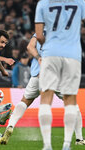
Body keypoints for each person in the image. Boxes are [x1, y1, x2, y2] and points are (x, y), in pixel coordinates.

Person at [0, 33, 85, 146]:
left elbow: (30, 47)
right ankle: (79, 139)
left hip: (36, 75)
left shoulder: (40, 32)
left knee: (25, 101)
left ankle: (11, 125)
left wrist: (38, 57)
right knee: (72, 104)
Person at [35, 0, 85, 150]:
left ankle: (47, 145)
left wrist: (49, 43)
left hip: (51, 54)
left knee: (46, 97)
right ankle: (66, 145)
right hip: (73, 54)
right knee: (70, 99)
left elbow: (38, 35)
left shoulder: (43, 3)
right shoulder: (80, 2)